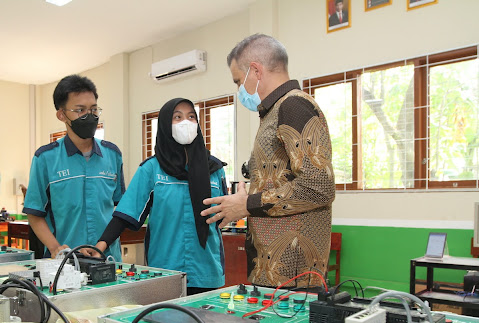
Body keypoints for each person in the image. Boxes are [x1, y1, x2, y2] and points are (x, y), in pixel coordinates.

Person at [201, 34, 335, 288]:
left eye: (238, 81)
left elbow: (318, 187)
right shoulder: (274, 112)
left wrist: (246, 204)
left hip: (292, 279)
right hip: (275, 272)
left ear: (255, 71)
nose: (239, 89)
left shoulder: (293, 105)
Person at [89, 98, 227, 295]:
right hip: (165, 271)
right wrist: (100, 246)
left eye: (191, 117)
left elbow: (224, 215)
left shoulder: (215, 169)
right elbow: (125, 214)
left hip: (207, 270)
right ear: (164, 125)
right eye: (177, 118)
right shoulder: (151, 169)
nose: (185, 123)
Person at [23, 74, 125, 260]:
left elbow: (119, 210)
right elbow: (34, 213)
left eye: (94, 109)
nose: (89, 115)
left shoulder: (113, 155)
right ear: (62, 115)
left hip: (108, 259)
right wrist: (55, 248)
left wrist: (102, 245)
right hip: (65, 261)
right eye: (80, 110)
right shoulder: (45, 158)